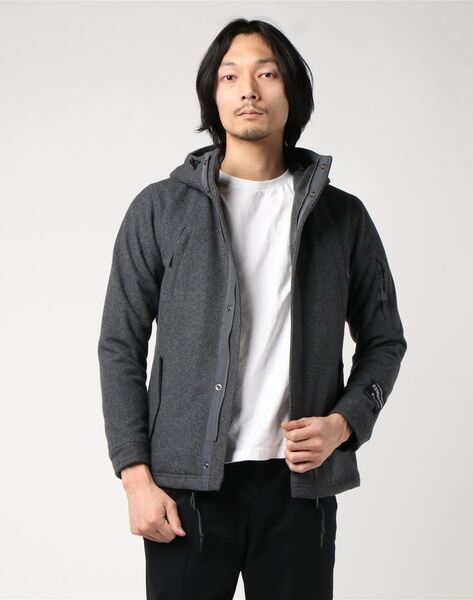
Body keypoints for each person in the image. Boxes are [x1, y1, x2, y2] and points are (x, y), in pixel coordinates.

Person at [97, 18, 408, 600]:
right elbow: (120, 344)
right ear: (212, 96)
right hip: (184, 491)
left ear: (292, 92)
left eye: (267, 74)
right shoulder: (160, 209)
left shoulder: (343, 217)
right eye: (230, 76)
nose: (248, 90)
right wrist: (135, 476)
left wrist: (345, 423)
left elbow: (385, 340)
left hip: (299, 490)